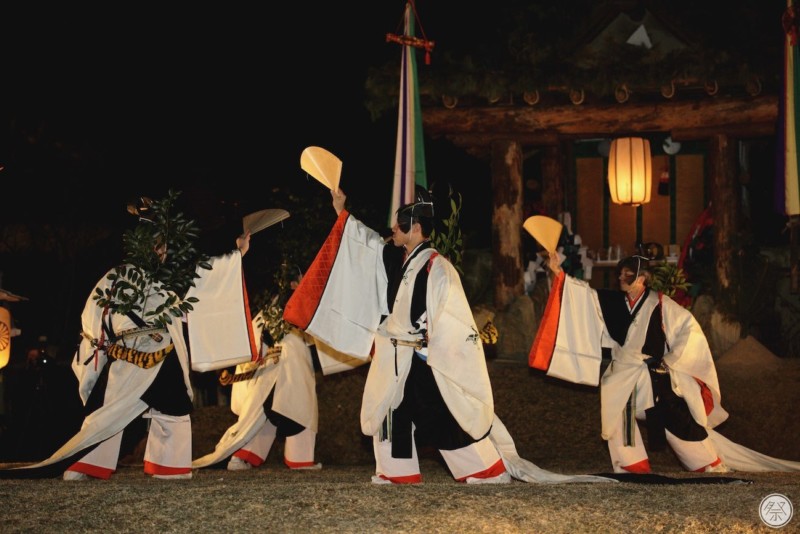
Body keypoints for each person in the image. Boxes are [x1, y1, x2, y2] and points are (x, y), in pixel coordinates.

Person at [283, 187, 611, 485]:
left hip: (421, 357)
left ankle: (486, 469)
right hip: (397, 356)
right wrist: (342, 212)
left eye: (398, 226)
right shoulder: (402, 260)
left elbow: (452, 317)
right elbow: (366, 246)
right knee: (391, 411)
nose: (392, 231)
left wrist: (434, 348)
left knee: (442, 415)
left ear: (414, 228)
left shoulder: (437, 267)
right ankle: (398, 471)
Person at [6, 191, 256, 481]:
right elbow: (93, 316)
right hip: (127, 354)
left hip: (163, 352)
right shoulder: (119, 276)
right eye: (157, 245)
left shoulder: (167, 281)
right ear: (141, 246)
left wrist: (236, 253)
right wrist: (97, 346)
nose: (161, 251)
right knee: (109, 414)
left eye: (164, 246)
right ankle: (86, 464)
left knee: (173, 409)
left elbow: (204, 284)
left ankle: (168, 467)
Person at [531, 253, 800, 474]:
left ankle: (707, 462)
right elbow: (584, 297)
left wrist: (669, 362)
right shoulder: (614, 303)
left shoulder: (662, 304)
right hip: (622, 372)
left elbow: (688, 331)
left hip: (652, 372)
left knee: (673, 414)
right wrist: (558, 272)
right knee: (615, 406)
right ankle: (631, 464)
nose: (623, 279)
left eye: (630, 274)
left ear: (644, 278)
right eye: (621, 274)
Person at [193, 267, 324, 471]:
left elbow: (255, 336)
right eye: (300, 278)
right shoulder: (293, 305)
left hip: (272, 372)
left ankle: (240, 457)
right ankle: (299, 460)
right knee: (299, 410)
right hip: (287, 370)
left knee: (262, 416)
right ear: (291, 284)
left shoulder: (271, 309)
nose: (304, 281)